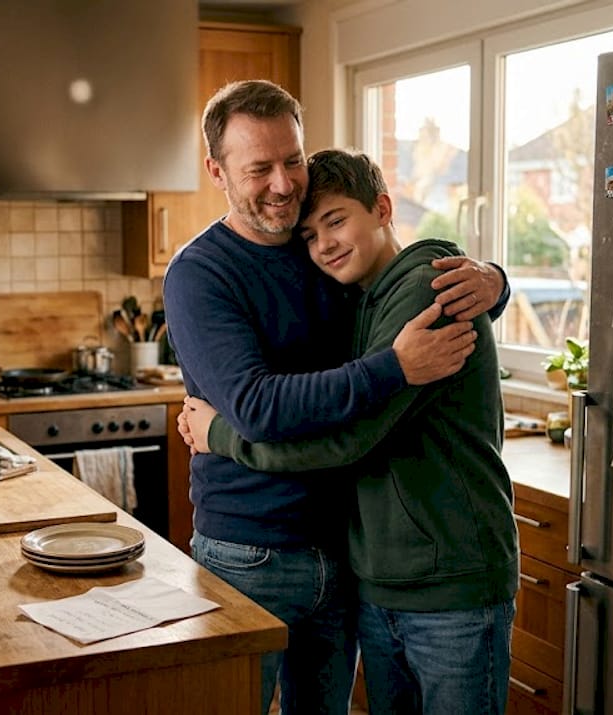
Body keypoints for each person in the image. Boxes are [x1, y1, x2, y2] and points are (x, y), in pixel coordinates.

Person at [162, 81, 510, 715]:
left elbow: (412, 279)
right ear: (216, 171)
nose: (282, 184)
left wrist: (492, 281)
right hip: (251, 551)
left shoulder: (326, 254)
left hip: (348, 552)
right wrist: (395, 368)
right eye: (258, 168)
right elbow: (259, 407)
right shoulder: (200, 274)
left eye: (291, 160)